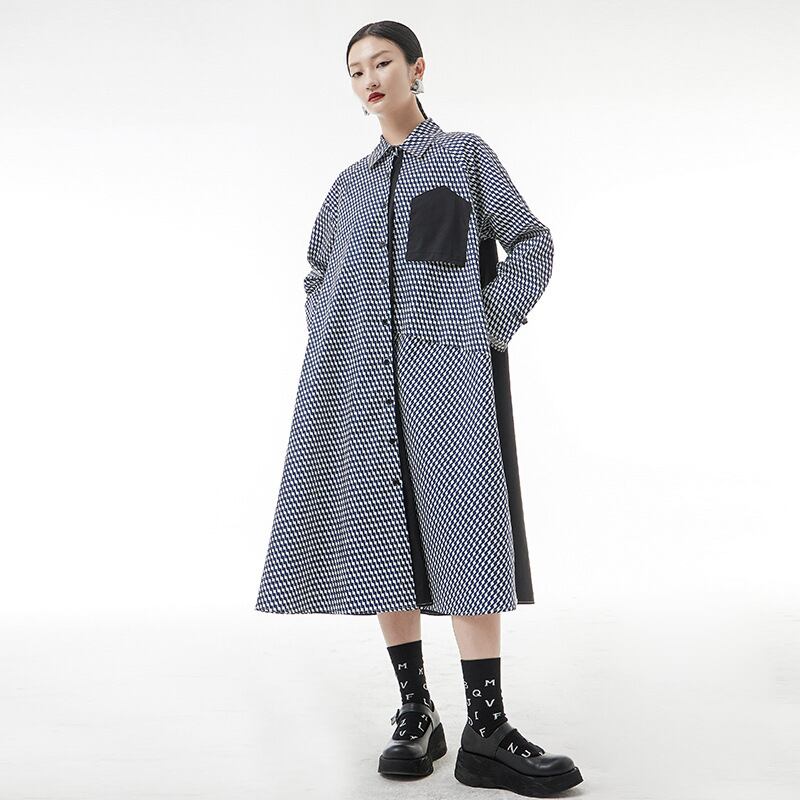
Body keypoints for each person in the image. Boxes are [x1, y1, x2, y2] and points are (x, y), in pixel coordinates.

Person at [254, 19, 583, 797]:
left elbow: (532, 243)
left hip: (448, 378)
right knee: (382, 538)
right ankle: (416, 712)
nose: (370, 79)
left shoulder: (465, 157)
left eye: (383, 63)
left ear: (417, 68)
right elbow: (316, 273)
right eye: (356, 70)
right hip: (357, 385)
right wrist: (336, 337)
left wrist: (484, 324)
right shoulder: (349, 185)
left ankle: (486, 729)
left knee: (468, 530)